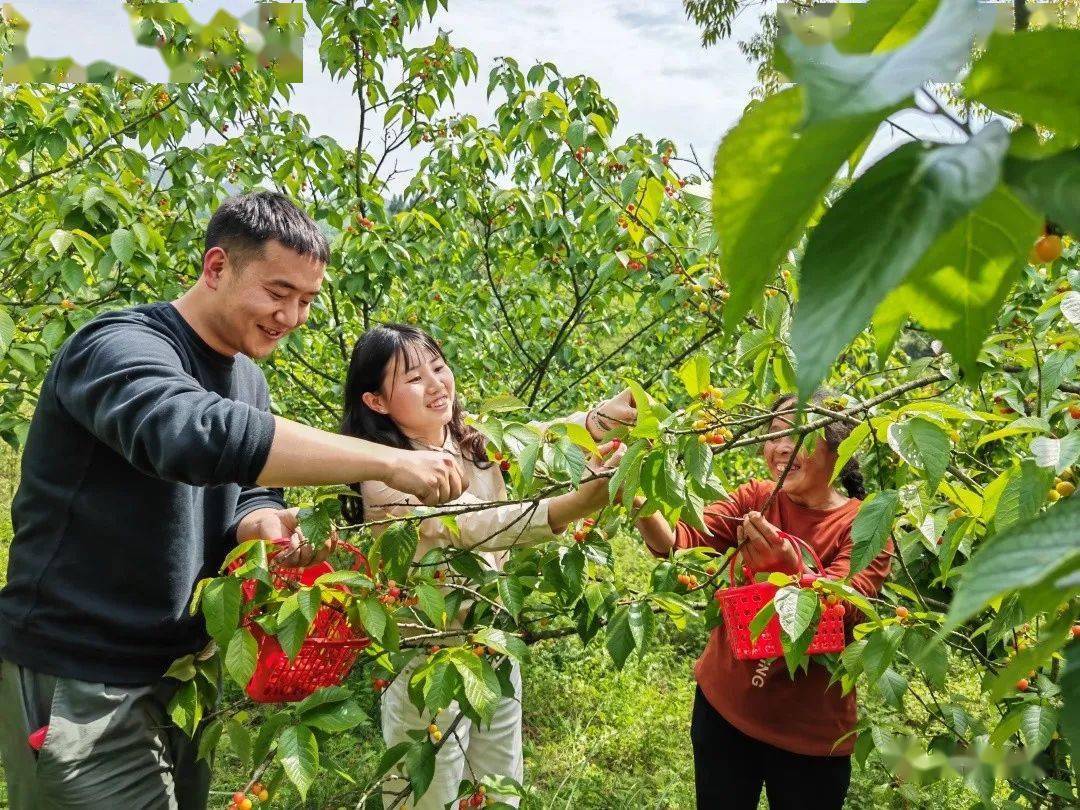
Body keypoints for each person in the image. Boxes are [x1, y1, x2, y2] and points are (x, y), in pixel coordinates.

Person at [0, 192, 464, 810]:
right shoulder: (116, 346)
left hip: (185, 673)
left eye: (306, 301)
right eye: (278, 292)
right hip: (84, 676)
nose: (292, 317)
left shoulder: (248, 377)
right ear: (216, 267)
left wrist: (265, 523)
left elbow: (250, 492)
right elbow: (188, 433)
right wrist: (390, 459)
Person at [339, 323, 636, 809]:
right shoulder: (382, 472)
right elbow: (470, 523)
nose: (436, 384)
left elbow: (535, 439)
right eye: (413, 379)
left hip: (492, 645)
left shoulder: (470, 439)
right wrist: (566, 508)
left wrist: (603, 418)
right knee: (428, 794)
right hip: (426, 660)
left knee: (498, 784)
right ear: (375, 402)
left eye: (438, 367)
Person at [635, 393, 893, 810]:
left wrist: (791, 574)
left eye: (800, 434)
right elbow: (680, 545)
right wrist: (635, 498)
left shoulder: (865, 524)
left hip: (808, 737)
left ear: (839, 449)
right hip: (724, 712)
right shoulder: (756, 499)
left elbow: (844, 613)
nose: (783, 447)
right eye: (774, 435)